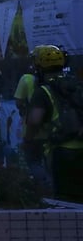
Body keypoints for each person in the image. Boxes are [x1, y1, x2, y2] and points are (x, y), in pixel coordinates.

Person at [25, 44, 83, 200]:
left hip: (61, 152)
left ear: (39, 68)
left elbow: (34, 120)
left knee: (66, 201)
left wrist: (28, 140)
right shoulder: (77, 85)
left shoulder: (42, 91)